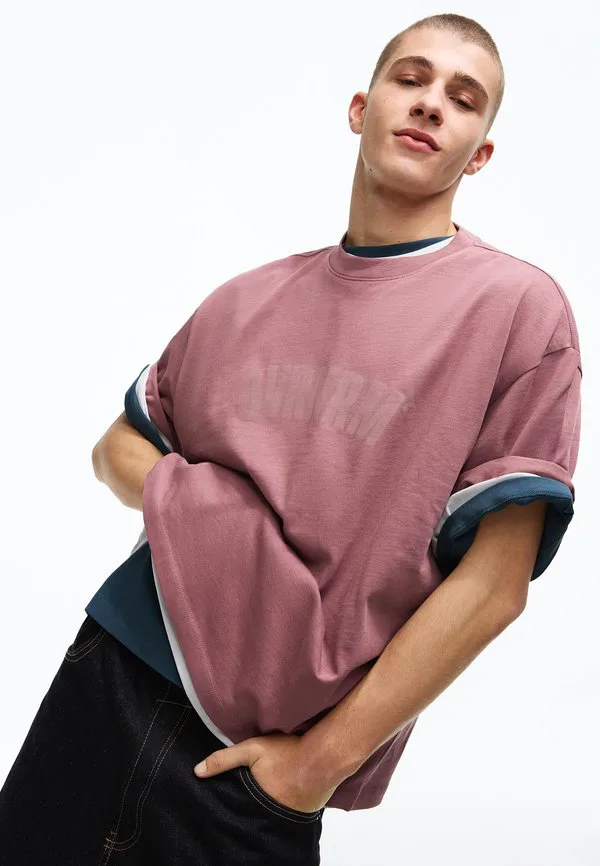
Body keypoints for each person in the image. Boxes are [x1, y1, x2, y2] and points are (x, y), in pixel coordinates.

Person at [0, 13, 582, 865]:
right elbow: (116, 447)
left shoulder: (518, 313)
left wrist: (316, 766)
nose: (431, 104)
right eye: (411, 79)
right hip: (105, 677)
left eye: (463, 99)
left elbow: (496, 585)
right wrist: (207, 509)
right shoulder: (247, 299)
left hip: (257, 765)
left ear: (480, 153)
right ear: (360, 108)